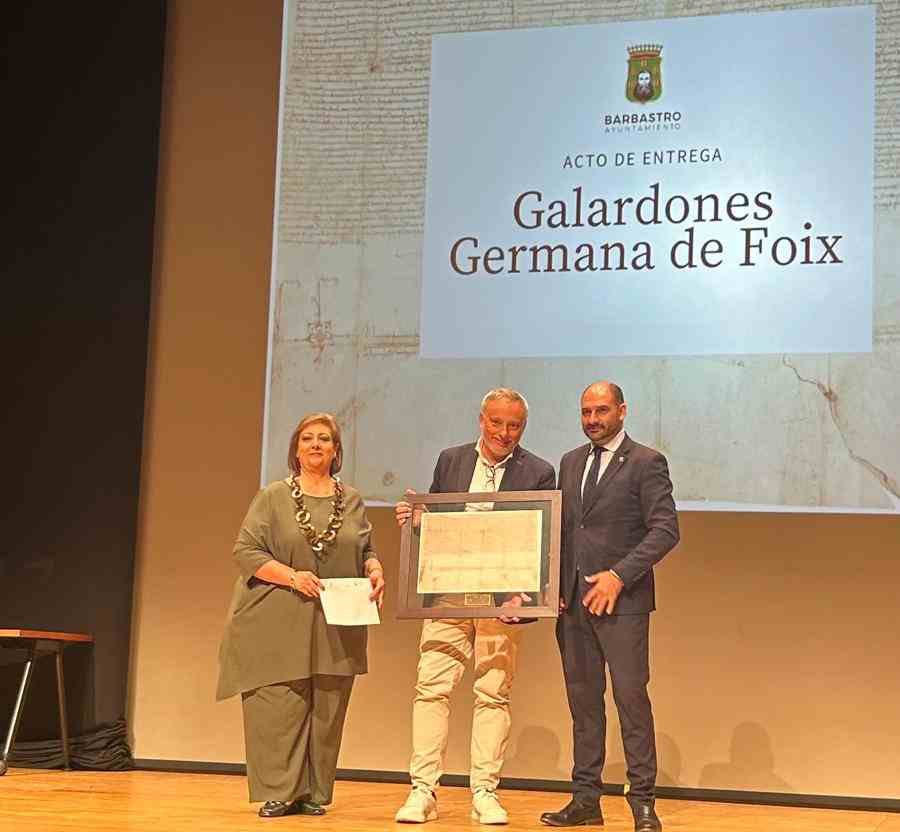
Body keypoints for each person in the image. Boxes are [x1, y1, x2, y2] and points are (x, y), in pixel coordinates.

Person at [394, 388, 555, 826]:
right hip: (448, 593)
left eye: (515, 425)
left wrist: (526, 596)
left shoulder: (539, 471)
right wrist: (418, 520)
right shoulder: (451, 460)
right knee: (431, 688)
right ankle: (422, 791)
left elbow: (541, 541)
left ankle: (484, 791)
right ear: (481, 419)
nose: (505, 433)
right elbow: (439, 523)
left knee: (493, 694)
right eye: (497, 423)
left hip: (500, 600)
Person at [216, 412, 385, 818]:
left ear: (336, 450)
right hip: (276, 617)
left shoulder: (353, 499)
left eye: (324, 439)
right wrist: (293, 577)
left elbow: (364, 550)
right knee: (279, 707)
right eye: (307, 438)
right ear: (295, 449)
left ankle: (313, 792)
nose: (315, 445)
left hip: (335, 620)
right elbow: (246, 552)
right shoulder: (273, 496)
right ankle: (280, 791)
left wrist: (375, 569)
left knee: (327, 710)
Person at [540, 382, 678, 832]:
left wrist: (619, 576)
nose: (592, 419)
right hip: (574, 606)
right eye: (585, 412)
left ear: (622, 410)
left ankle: (642, 803)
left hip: (624, 604)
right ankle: (585, 799)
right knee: (583, 703)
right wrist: (555, 585)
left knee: (631, 700)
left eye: (601, 410)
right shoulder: (571, 461)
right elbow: (565, 530)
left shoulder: (645, 462)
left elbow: (665, 530)